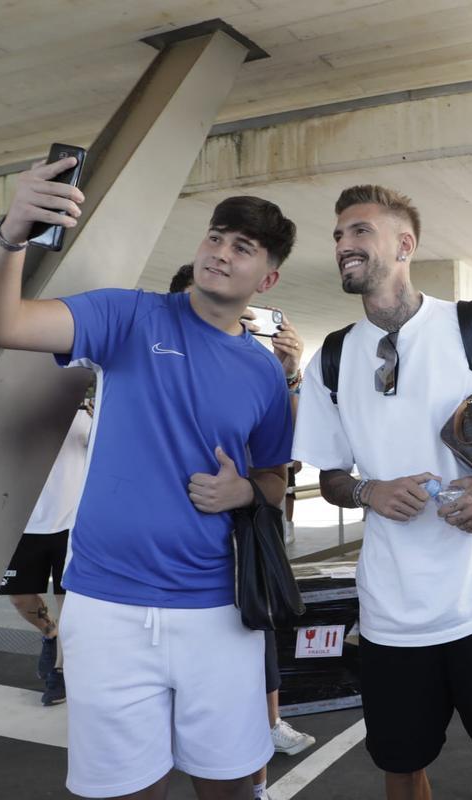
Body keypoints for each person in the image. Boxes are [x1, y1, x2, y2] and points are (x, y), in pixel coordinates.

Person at [0, 155, 297, 800]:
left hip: (218, 610)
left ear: (268, 276)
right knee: (124, 790)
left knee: (229, 785)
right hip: (105, 608)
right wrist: (12, 232)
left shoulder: (264, 372)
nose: (221, 253)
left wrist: (244, 492)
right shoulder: (129, 316)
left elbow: (274, 482)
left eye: (243, 247)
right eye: (215, 236)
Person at [293, 185, 472, 800]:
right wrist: (369, 491)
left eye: (359, 232)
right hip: (391, 614)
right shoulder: (332, 358)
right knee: (400, 766)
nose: (344, 244)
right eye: (339, 235)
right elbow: (331, 478)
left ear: (405, 245)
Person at [167, 263, 315, 799]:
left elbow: (287, 461)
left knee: (255, 649)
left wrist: (289, 374)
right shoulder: (154, 362)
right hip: (161, 570)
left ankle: (258, 772)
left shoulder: (257, 370)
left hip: (247, 542)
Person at [0, 399, 92, 706]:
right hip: (25, 523)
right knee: (20, 598)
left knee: (69, 604)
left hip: (72, 523)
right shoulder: (19, 408)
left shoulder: (87, 413)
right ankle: (49, 634)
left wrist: (101, 420)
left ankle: (60, 671)